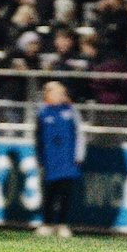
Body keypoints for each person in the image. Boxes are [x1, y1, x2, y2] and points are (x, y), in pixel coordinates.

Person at [34, 78, 85, 237]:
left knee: (65, 194)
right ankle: (47, 223)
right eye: (57, 93)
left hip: (68, 160)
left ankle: (62, 224)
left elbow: (80, 133)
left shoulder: (71, 111)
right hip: (50, 161)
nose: (61, 96)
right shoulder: (42, 113)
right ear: (48, 95)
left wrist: (79, 156)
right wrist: (40, 159)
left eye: (62, 93)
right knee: (49, 193)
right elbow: (38, 138)